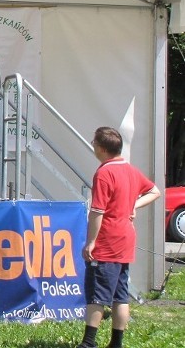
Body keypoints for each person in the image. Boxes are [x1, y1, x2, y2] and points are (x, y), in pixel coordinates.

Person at [76, 126, 160, 348]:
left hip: (107, 240)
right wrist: (134, 204)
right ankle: (116, 343)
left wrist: (91, 242)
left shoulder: (104, 172)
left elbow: (97, 211)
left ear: (102, 148)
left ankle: (89, 342)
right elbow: (154, 191)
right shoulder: (130, 170)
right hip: (125, 240)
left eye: (94, 143)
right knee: (120, 295)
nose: (93, 145)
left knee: (96, 294)